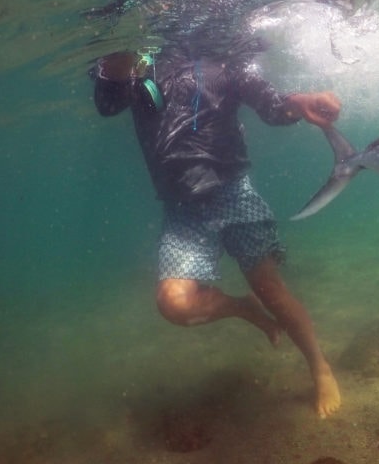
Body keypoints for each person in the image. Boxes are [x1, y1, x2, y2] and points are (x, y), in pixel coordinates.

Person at [90, 47, 342, 418]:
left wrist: (299, 102)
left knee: (270, 288)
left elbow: (270, 105)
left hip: (231, 191)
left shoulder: (225, 56)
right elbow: (107, 106)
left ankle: (320, 366)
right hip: (181, 206)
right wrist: (115, 62)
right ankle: (243, 309)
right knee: (174, 303)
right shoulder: (142, 60)